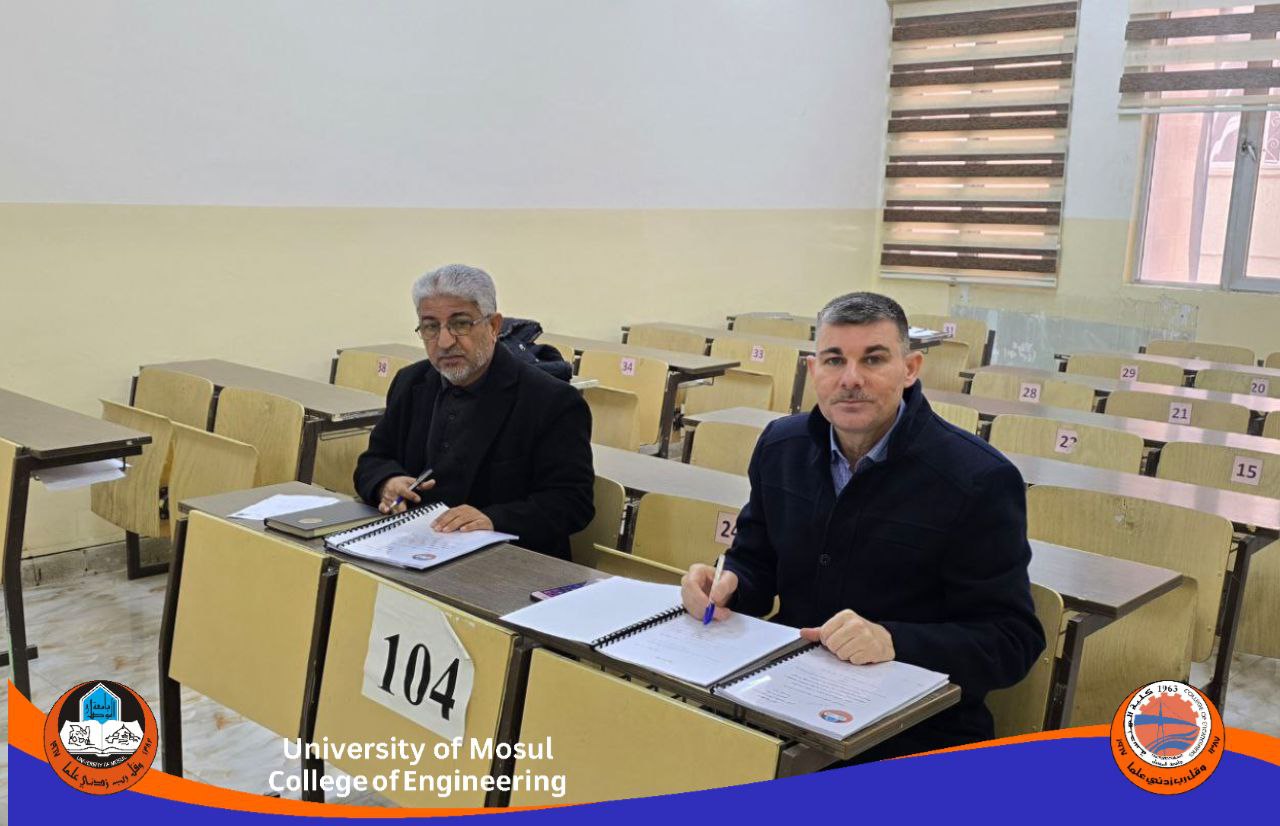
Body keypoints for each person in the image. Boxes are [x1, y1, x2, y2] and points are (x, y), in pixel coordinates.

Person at [680, 292, 1044, 758]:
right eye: (834, 360)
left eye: (873, 359)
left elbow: (1011, 640)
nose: (851, 379)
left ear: (910, 368)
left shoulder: (978, 479)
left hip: (912, 731)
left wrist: (893, 640)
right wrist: (728, 583)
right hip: (785, 701)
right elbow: (755, 560)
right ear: (813, 370)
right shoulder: (780, 447)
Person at [354, 264, 594, 560]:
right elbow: (373, 460)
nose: (444, 341)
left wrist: (493, 519)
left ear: (493, 326)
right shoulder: (411, 381)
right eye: (430, 327)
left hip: (506, 560)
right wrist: (387, 483)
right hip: (412, 547)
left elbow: (572, 502)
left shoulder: (552, 400)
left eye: (461, 324)